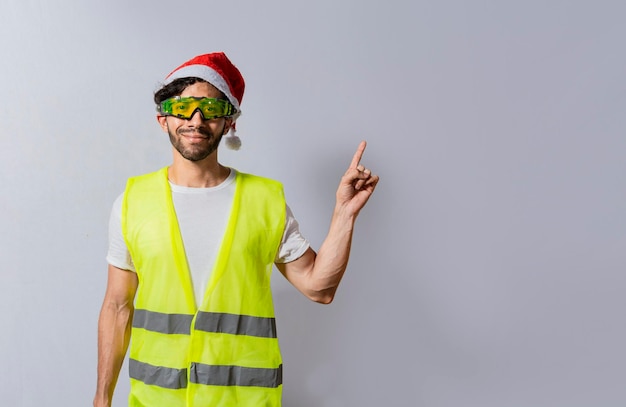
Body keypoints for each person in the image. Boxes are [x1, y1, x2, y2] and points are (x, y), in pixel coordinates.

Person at [94, 52, 379, 407]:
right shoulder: (132, 202)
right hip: (157, 400)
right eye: (184, 107)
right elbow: (117, 306)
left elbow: (320, 288)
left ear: (229, 123)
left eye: (211, 110)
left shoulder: (265, 201)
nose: (196, 120)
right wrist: (102, 398)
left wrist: (344, 213)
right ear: (162, 118)